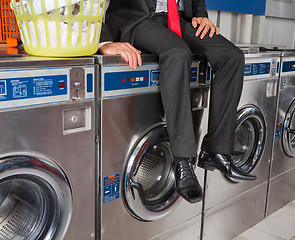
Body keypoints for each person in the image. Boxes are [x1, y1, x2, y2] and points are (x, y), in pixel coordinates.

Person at [100, 0, 256, 204]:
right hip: (138, 19)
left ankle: (216, 151)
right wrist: (103, 42)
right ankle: (182, 161)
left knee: (232, 57)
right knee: (177, 53)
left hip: (179, 19)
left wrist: (200, 15)